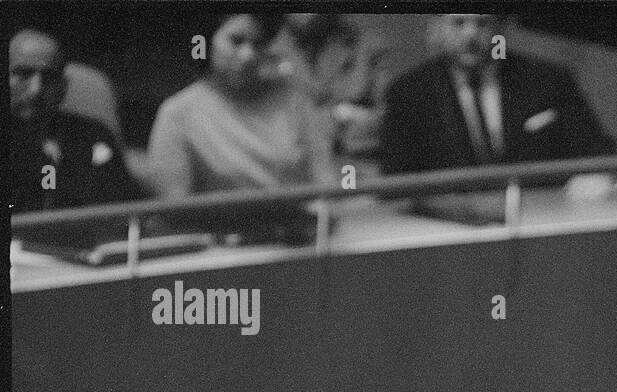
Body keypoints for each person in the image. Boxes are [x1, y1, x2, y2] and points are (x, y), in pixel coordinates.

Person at [146, 11, 333, 239]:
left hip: (299, 242)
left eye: (258, 44)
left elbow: (327, 185)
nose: (248, 55)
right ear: (205, 42)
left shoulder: (294, 101)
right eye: (236, 41)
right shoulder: (177, 113)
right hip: (220, 252)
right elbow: (174, 210)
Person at [381, 13, 617, 192]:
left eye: (483, 23)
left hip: (537, 218)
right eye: (459, 23)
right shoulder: (409, 92)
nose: (471, 35)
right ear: (438, 28)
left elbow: (599, 148)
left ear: (501, 29)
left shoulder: (548, 80)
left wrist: (595, 178)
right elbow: (396, 179)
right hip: (448, 232)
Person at [10, 29, 134, 217]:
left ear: (63, 86)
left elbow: (120, 213)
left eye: (49, 77)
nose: (36, 90)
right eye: (24, 74)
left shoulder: (94, 136)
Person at [272, 13, 390, 178]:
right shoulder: (262, 48)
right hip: (293, 173)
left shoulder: (366, 48)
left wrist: (354, 117)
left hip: (353, 170)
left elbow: (390, 119)